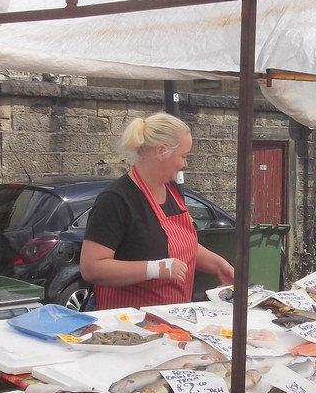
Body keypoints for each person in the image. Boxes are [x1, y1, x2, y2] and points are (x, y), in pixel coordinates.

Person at [79, 113, 235, 310]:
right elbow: (92, 268)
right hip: (129, 325)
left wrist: (220, 265)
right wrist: (156, 268)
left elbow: (185, 247)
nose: (185, 164)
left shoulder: (172, 193)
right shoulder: (116, 199)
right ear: (162, 151)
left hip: (173, 319)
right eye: (184, 156)